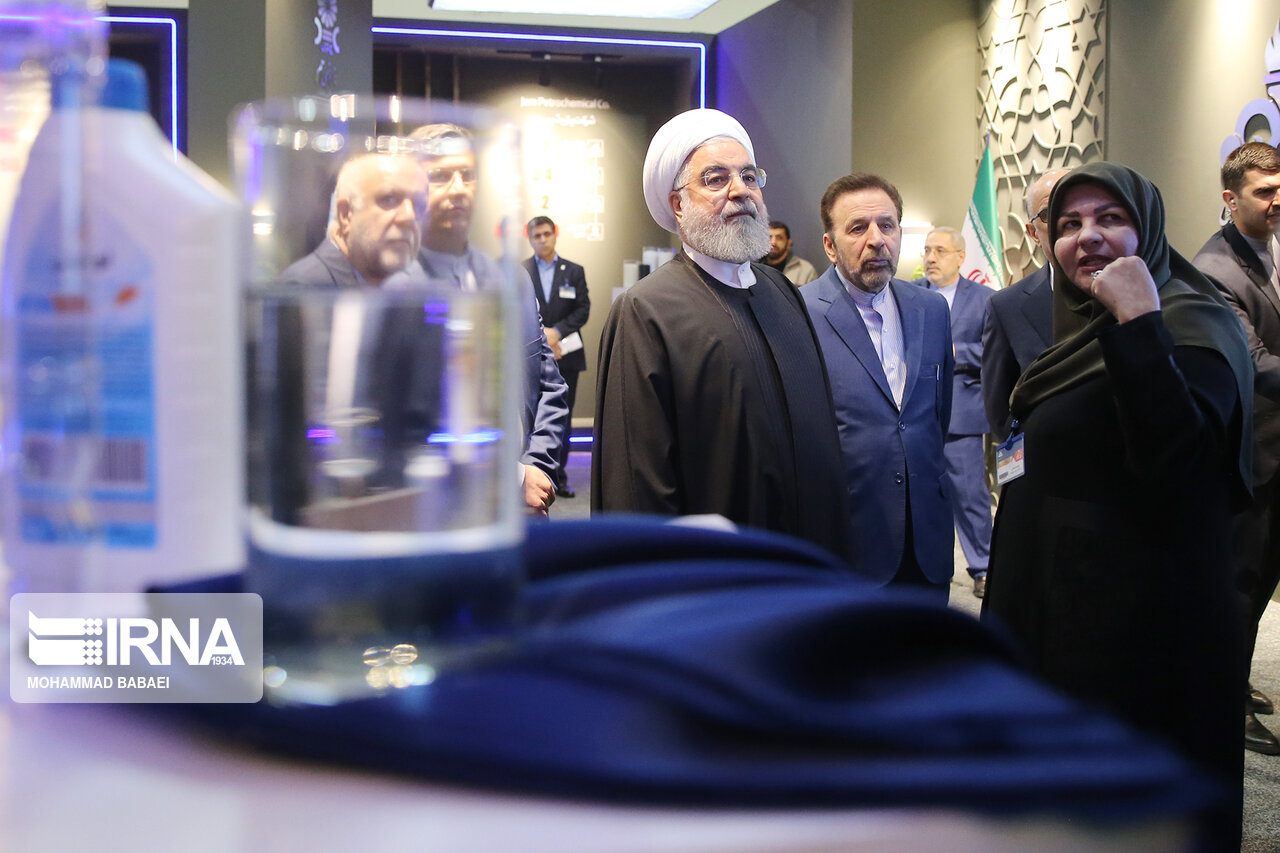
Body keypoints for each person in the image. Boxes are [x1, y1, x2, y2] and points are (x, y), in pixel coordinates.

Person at [982, 162, 1253, 849]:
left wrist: (1139, 321)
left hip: (1138, 633)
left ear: (1149, 229)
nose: (1087, 236)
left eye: (1110, 219)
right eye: (1069, 223)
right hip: (1059, 616)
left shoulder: (1194, 325)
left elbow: (1181, 468)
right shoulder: (1077, 330)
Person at [592, 108, 851, 564]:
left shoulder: (781, 291)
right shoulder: (646, 311)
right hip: (719, 576)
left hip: (812, 568)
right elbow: (636, 481)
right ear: (678, 204)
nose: (740, 190)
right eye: (716, 179)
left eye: (749, 177)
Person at [801, 174, 954, 599]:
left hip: (928, 538)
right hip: (848, 545)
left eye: (887, 225)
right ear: (830, 246)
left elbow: (937, 416)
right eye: (857, 228)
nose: (876, 240)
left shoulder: (931, 308)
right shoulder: (799, 313)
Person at [410, 123, 570, 518]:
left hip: (528, 508)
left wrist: (536, 469)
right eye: (440, 175)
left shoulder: (511, 280)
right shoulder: (393, 289)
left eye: (467, 174)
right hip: (442, 514)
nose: (458, 188)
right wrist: (513, 479)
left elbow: (550, 385)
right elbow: (408, 420)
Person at [1192, 141, 1280, 756]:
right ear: (1230, 198)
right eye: (1264, 191)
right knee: (1242, 588)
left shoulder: (1270, 245)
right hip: (1253, 458)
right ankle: (1223, 701)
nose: (1277, 200)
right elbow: (1253, 364)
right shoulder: (1214, 270)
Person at [912, 227, 992, 598]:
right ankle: (926, 567)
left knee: (970, 495)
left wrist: (959, 352)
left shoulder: (985, 300)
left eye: (940, 250)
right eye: (927, 250)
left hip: (962, 414)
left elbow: (996, 351)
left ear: (961, 257)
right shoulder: (909, 294)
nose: (931, 257)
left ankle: (984, 566)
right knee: (920, 495)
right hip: (916, 414)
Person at [981, 169, 1068, 437]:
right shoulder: (1006, 307)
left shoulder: (1136, 293)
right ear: (1033, 233)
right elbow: (1000, 414)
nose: (1066, 220)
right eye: (1049, 213)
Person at [277, 152, 428, 289]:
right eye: (389, 199)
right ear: (346, 214)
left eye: (420, 205)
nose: (410, 217)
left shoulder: (414, 285)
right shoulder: (304, 288)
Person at [522, 215, 590, 498]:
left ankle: (558, 476)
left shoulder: (573, 271)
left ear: (555, 234)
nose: (542, 240)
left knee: (563, 416)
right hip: (531, 358)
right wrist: (543, 335)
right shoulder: (521, 272)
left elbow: (583, 309)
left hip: (567, 354)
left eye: (546, 234)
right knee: (530, 416)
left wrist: (557, 332)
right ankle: (530, 473)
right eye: (536, 236)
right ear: (530, 239)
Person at [760, 220, 818, 285]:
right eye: (769, 237)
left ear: (789, 243)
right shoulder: (754, 268)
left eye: (779, 238)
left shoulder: (805, 270)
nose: (773, 242)